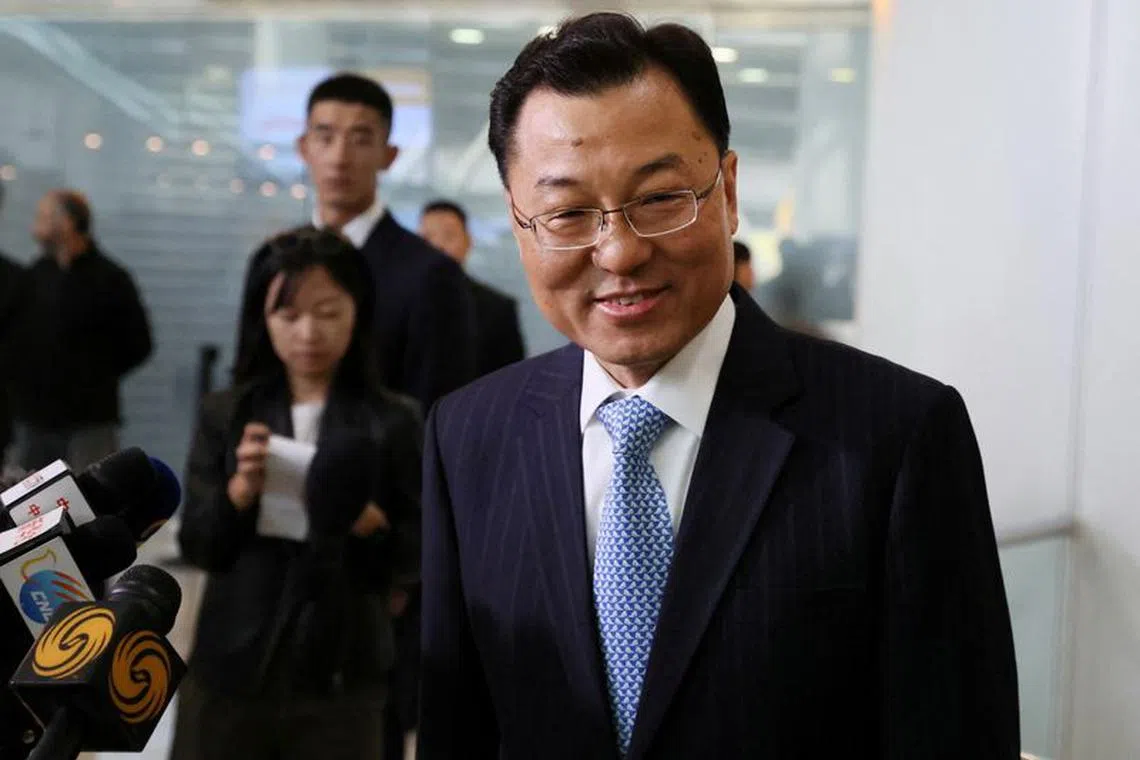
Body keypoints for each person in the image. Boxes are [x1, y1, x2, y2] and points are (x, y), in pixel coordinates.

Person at [418, 13, 1019, 760]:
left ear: (726, 191)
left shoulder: (896, 436)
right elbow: (459, 728)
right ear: (520, 225)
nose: (620, 251)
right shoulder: (469, 435)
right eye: (569, 213)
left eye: (661, 198)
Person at [173, 227, 421, 760]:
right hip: (234, 657)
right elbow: (198, 544)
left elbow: (418, 554)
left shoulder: (394, 420)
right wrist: (241, 492)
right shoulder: (228, 413)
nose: (308, 332)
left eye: (328, 312)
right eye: (288, 316)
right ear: (262, 320)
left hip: (342, 671)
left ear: (359, 313)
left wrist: (368, 524)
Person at [247, 72, 477, 415]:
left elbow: (441, 407)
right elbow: (249, 381)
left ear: (389, 155)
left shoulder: (430, 274)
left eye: (360, 139)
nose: (340, 157)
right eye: (325, 137)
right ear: (303, 148)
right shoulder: (272, 261)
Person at [6, 190, 152, 471]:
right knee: (26, 503)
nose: (35, 226)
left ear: (68, 222)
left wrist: (93, 375)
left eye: (44, 217)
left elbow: (139, 344)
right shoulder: (34, 275)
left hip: (90, 420)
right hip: (34, 418)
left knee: (91, 499)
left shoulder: (111, 279)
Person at [420, 199, 527, 375]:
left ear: (468, 241)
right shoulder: (396, 302)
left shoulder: (498, 309)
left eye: (448, 236)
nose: (437, 246)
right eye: (427, 238)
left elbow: (511, 378)